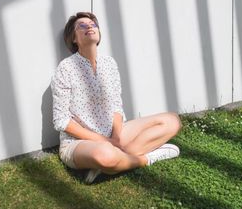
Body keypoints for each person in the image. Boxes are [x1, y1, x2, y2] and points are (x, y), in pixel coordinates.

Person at [51, 12, 182, 183]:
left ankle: (113, 162)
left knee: (172, 121)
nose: (89, 27)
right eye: (82, 26)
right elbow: (61, 120)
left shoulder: (109, 63)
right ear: (74, 38)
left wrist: (117, 137)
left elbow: (116, 106)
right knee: (104, 155)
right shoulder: (65, 68)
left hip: (114, 133)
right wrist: (105, 141)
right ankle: (146, 158)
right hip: (79, 142)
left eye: (93, 24)